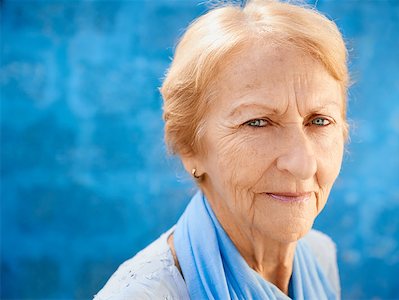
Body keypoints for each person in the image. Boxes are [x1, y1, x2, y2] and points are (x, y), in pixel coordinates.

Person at [95, 0, 349, 298]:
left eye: (319, 120)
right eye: (257, 123)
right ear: (189, 145)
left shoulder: (320, 256)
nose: (304, 164)